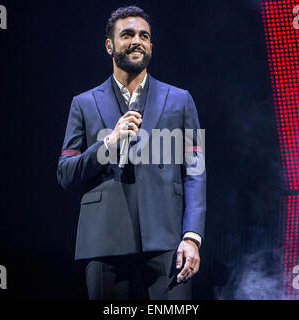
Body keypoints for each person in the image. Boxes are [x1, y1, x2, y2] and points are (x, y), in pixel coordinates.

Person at [57, 5, 206, 300]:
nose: (137, 40)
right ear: (110, 46)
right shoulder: (83, 103)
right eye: (127, 34)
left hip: (167, 239)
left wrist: (192, 237)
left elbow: (196, 171)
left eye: (144, 36)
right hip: (103, 240)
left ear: (151, 45)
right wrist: (108, 144)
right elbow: (65, 173)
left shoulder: (181, 100)